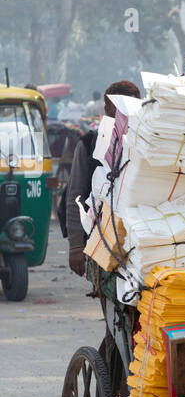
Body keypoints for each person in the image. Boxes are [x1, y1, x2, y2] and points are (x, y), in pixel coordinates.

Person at [66, 79, 141, 276]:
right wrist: (75, 247)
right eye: (119, 109)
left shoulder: (146, 141)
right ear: (107, 110)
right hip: (101, 237)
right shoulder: (90, 144)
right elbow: (76, 195)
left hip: (142, 237)